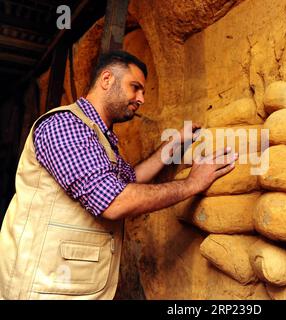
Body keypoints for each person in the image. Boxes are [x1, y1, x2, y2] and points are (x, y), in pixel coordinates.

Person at [0, 50, 237, 300]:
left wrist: (175, 142)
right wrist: (192, 184)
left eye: (143, 91)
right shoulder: (64, 126)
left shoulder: (100, 137)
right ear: (106, 80)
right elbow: (114, 201)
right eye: (135, 87)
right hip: (42, 287)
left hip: (67, 287)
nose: (141, 98)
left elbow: (131, 178)